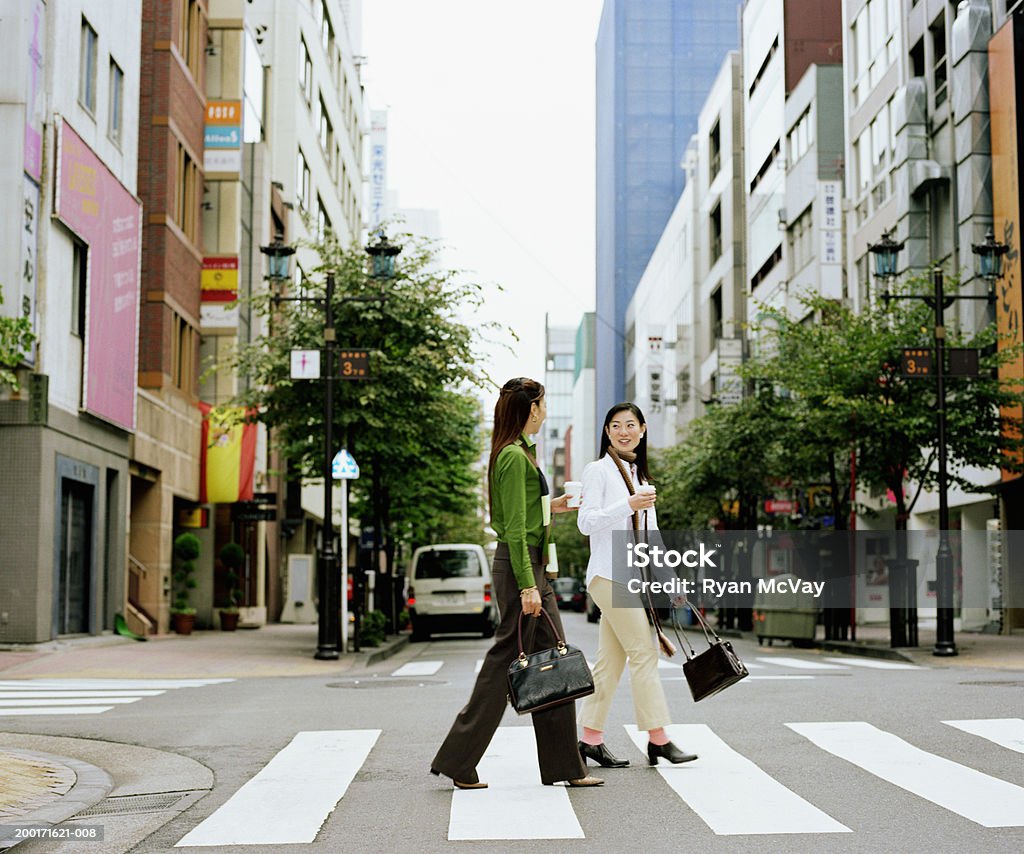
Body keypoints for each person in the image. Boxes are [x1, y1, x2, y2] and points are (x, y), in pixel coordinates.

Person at [430, 377, 603, 789]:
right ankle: (459, 758)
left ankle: (563, 765)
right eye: (542, 405)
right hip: (522, 569)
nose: (544, 412)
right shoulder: (511, 456)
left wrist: (553, 506)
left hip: (532, 568)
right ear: (530, 410)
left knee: (553, 661)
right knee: (504, 663)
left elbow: (525, 514)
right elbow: (511, 528)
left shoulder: (521, 454)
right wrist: (528, 586)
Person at [576, 402, 698, 768]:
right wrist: (627, 505)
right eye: (615, 425)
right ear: (607, 431)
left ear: (643, 430)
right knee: (644, 653)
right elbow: (586, 523)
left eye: (630, 425)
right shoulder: (597, 471)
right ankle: (659, 739)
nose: (623, 431)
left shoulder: (642, 479)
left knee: (609, 664)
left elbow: (653, 538)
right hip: (608, 575)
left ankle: (589, 739)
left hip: (630, 577)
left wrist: (672, 582)